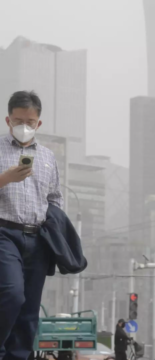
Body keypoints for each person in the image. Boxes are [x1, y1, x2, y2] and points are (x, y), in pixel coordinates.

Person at [0, 91, 64, 360]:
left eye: (30, 121)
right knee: (12, 294)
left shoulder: (48, 158)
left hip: (37, 238)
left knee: (28, 312)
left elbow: (55, 199)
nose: (23, 127)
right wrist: (6, 178)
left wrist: (55, 236)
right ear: (7, 120)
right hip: (4, 234)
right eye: (18, 121)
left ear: (38, 123)